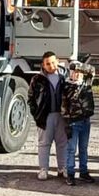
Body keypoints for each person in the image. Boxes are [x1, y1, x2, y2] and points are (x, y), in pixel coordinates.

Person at [29, 51, 69, 182]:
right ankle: (43, 169)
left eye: (53, 62)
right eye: (47, 64)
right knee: (44, 143)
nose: (51, 66)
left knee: (62, 143)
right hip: (45, 116)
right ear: (43, 65)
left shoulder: (65, 76)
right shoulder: (37, 79)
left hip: (62, 115)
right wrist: (36, 114)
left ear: (57, 61)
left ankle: (62, 168)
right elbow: (31, 98)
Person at [60, 62, 96, 185]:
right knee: (71, 149)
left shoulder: (86, 83)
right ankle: (70, 173)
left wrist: (80, 67)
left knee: (83, 148)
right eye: (74, 72)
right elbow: (63, 107)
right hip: (73, 122)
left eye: (79, 72)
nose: (76, 74)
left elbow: (92, 70)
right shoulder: (66, 86)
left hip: (86, 120)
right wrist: (67, 122)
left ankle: (83, 171)